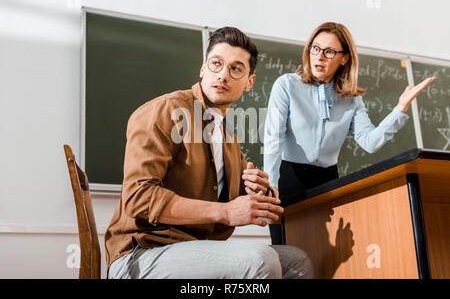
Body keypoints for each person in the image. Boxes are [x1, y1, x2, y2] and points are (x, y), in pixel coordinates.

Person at [105, 26, 313, 279]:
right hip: (140, 254)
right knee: (260, 260)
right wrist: (225, 212)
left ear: (249, 82)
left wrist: (260, 191)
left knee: (297, 260)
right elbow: (138, 198)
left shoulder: (227, 134)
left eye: (236, 68)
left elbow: (237, 194)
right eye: (216, 64)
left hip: (193, 249)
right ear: (203, 69)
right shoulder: (165, 111)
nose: (223, 75)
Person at [264, 22, 435, 245]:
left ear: (344, 58)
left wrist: (399, 109)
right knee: (285, 253)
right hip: (288, 178)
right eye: (315, 48)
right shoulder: (286, 85)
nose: (320, 56)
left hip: (327, 181)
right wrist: (270, 187)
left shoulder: (351, 99)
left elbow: (369, 142)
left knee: (324, 256)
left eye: (329, 52)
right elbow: (273, 139)